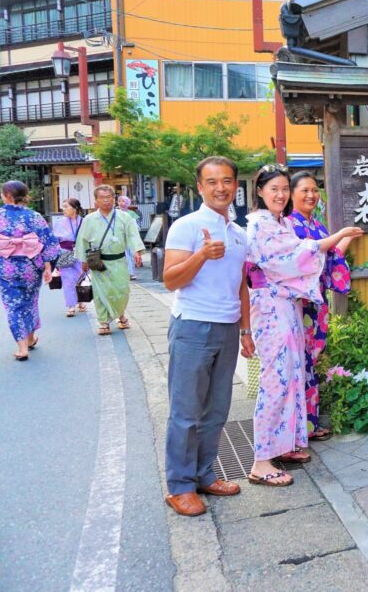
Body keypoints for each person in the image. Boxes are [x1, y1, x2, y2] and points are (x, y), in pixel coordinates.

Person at [246, 165, 363, 486]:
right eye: (274, 189)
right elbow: (298, 254)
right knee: (276, 379)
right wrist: (336, 238)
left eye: (284, 188)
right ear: (259, 191)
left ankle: (283, 445)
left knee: (292, 376)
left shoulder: (279, 222)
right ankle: (261, 460)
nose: (281, 195)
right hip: (271, 308)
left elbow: (302, 255)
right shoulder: (260, 224)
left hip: (289, 307)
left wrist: (333, 241)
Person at [161, 156, 255, 517]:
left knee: (216, 409)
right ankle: (180, 486)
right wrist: (202, 255)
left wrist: (245, 329)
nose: (221, 188)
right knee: (186, 411)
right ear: (199, 187)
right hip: (192, 326)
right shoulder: (186, 226)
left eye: (228, 181)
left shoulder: (238, 232)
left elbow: (241, 285)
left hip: (228, 327)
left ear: (235, 185)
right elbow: (171, 279)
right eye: (212, 182)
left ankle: (204, 474)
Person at [288, 171, 354, 442]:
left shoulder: (316, 226)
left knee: (309, 365)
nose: (311, 195)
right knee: (298, 365)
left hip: (317, 305)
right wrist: (339, 235)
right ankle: (297, 431)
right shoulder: (288, 226)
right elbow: (307, 256)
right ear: (291, 194)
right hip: (299, 304)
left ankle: (310, 427)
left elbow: (331, 256)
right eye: (304, 190)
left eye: (315, 190)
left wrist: (347, 238)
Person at [0, 181, 59, 360]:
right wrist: (48, 265)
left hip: (6, 266)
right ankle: (31, 338)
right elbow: (49, 242)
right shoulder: (34, 216)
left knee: (13, 306)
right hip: (30, 267)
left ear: (7, 195)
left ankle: (23, 347)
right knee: (30, 302)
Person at [74, 185, 145, 336]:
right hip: (99, 263)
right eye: (102, 198)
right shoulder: (89, 219)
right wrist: (83, 261)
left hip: (119, 261)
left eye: (109, 197)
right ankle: (104, 322)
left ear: (114, 199)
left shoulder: (125, 217)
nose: (106, 200)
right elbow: (82, 241)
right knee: (101, 293)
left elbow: (133, 235)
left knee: (121, 291)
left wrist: (137, 252)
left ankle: (121, 315)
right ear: (96, 201)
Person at [51, 198, 87, 317]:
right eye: (63, 206)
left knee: (81, 278)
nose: (63, 209)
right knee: (67, 280)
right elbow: (54, 240)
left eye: (66, 206)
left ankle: (81, 301)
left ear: (75, 208)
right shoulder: (60, 222)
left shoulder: (84, 221)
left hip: (81, 252)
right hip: (65, 252)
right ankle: (71, 305)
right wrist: (55, 258)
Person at [118, 195, 142, 280]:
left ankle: (131, 273)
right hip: (119, 237)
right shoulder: (115, 212)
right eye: (120, 201)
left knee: (130, 255)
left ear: (127, 203)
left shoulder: (131, 213)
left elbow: (136, 227)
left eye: (123, 201)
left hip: (129, 237)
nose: (121, 203)